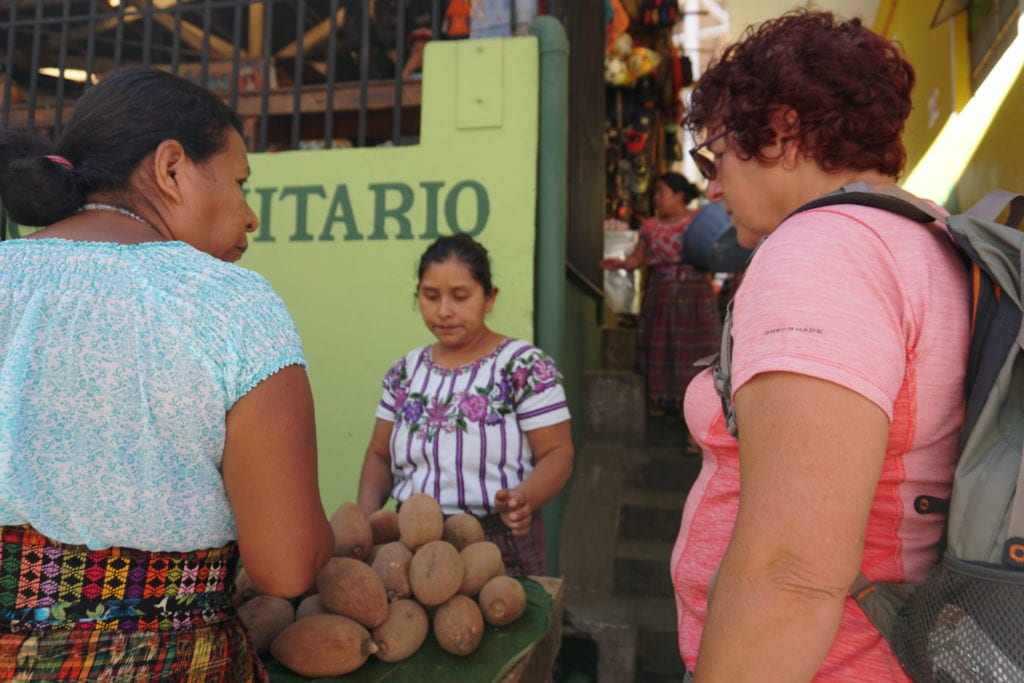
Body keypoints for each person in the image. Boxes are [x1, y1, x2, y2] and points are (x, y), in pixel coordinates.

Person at [0, 67, 334, 680]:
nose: (250, 216)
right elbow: (287, 566)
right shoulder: (230, 302)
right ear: (172, 168)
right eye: (239, 182)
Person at [670, 11, 970, 681]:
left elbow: (791, 570)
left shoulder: (822, 253)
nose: (712, 185)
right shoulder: (929, 236)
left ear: (779, 130)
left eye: (713, 156)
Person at [356, 234, 574, 575]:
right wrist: (365, 523)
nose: (444, 311)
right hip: (410, 540)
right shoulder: (404, 372)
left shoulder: (524, 367)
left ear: (489, 297)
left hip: (498, 542)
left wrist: (525, 499)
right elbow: (379, 455)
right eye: (430, 296)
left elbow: (558, 452)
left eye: (460, 296)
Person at [599, 172, 721, 417]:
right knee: (661, 347)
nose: (656, 198)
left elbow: (717, 249)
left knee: (696, 351)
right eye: (655, 192)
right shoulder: (649, 227)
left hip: (694, 295)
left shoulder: (699, 221)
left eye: (661, 192)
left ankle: (699, 417)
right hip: (661, 296)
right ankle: (664, 403)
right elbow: (637, 259)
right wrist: (618, 264)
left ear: (679, 195)